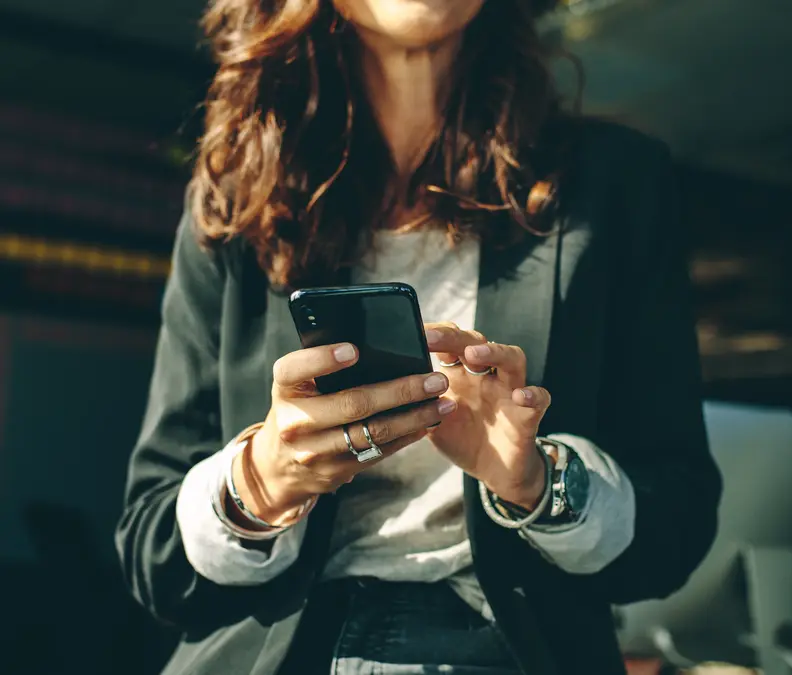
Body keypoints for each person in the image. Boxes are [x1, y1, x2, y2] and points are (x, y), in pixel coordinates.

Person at [115, 0, 722, 673]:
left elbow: (679, 527)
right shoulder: (239, 195)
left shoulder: (617, 185)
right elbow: (153, 554)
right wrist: (263, 481)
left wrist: (539, 480)